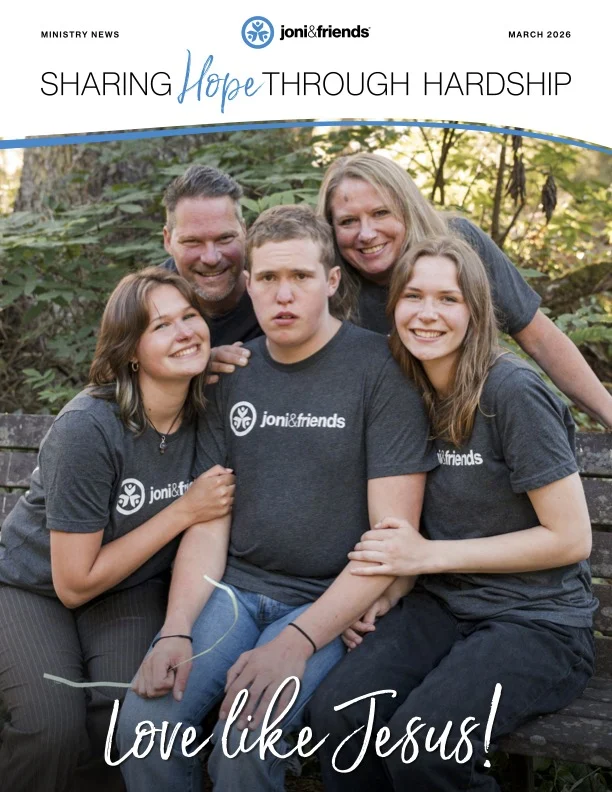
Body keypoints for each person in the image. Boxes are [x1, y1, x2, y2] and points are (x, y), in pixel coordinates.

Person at [117, 205, 437, 792]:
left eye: (301, 277)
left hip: (325, 603)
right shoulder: (230, 373)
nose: (282, 295)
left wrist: (297, 641)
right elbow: (210, 520)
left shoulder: (382, 369)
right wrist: (176, 628)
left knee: (244, 742)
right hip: (233, 595)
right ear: (247, 284)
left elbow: (390, 543)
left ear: (333, 281)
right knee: (145, 728)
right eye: (267, 279)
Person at [307, 236, 596, 792]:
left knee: (423, 750)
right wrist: (388, 591)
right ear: (393, 307)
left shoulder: (511, 392)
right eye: (413, 295)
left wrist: (426, 555)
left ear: (476, 311)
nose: (428, 313)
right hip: (443, 605)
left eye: (449, 298)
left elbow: (570, 539)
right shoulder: (405, 386)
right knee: (340, 715)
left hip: (538, 621)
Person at [0, 267, 235, 792]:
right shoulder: (90, 428)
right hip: (31, 587)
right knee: (51, 729)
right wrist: (180, 511)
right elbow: (73, 582)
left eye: (190, 317)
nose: (184, 332)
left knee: (131, 720)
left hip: (127, 591)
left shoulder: (209, 412)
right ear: (131, 351)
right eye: (161, 326)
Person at [317, 152, 612, 429]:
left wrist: (608, 412)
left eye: (381, 213)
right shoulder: (322, 279)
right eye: (348, 221)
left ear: (408, 209)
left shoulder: (459, 246)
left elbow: (541, 340)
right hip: (383, 440)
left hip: (467, 432)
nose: (366, 233)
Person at [161, 164, 262, 380]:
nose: (211, 258)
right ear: (168, 240)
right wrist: (192, 364)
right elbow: (111, 381)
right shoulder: (147, 301)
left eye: (225, 238)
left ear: (244, 231)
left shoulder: (276, 285)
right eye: (192, 242)